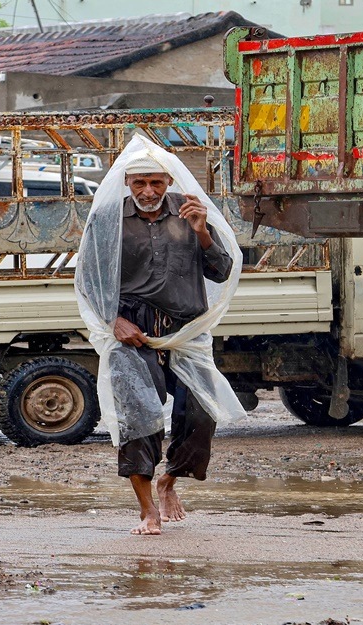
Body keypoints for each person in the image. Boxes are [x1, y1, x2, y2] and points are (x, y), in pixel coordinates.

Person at [113, 155, 233, 535]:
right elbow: (89, 279)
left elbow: (222, 270)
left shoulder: (190, 211)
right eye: (139, 184)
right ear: (127, 183)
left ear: (168, 180)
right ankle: (148, 509)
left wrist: (202, 231)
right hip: (134, 333)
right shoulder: (109, 220)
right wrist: (113, 321)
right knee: (140, 418)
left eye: (156, 183)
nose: (148, 191)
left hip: (186, 330)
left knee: (200, 415)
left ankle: (170, 481)